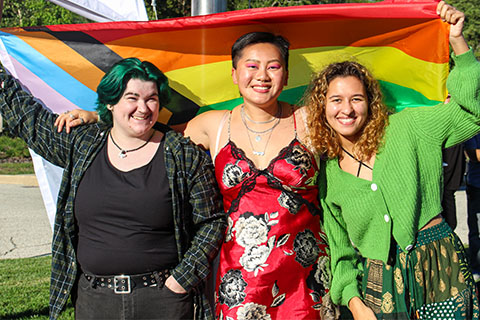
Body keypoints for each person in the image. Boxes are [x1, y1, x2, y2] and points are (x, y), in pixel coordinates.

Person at [56, 32, 337, 319]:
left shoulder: (310, 121)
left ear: (287, 75)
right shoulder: (213, 125)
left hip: (305, 276)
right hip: (240, 283)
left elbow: (358, 124)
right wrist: (100, 116)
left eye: (273, 67)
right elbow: (147, 131)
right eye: (251, 66)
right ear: (234, 74)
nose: (262, 75)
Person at [0, 58, 226, 319]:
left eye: (152, 98)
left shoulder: (182, 154)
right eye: (132, 97)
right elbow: (28, 120)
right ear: (110, 101)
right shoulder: (82, 143)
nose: (143, 108)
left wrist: (181, 280)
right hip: (94, 300)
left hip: (163, 301)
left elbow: (212, 222)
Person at [305, 2, 480, 319]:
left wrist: (459, 44)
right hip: (378, 285)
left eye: (356, 99)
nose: (347, 109)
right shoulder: (328, 173)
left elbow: (473, 113)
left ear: (370, 103)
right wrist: (356, 305)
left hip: (437, 266)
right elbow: (340, 252)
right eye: (336, 100)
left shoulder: (408, 127)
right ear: (322, 108)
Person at [465, 133, 480, 283]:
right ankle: (476, 267)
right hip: (477, 185)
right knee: (477, 231)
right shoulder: (474, 127)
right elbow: (474, 155)